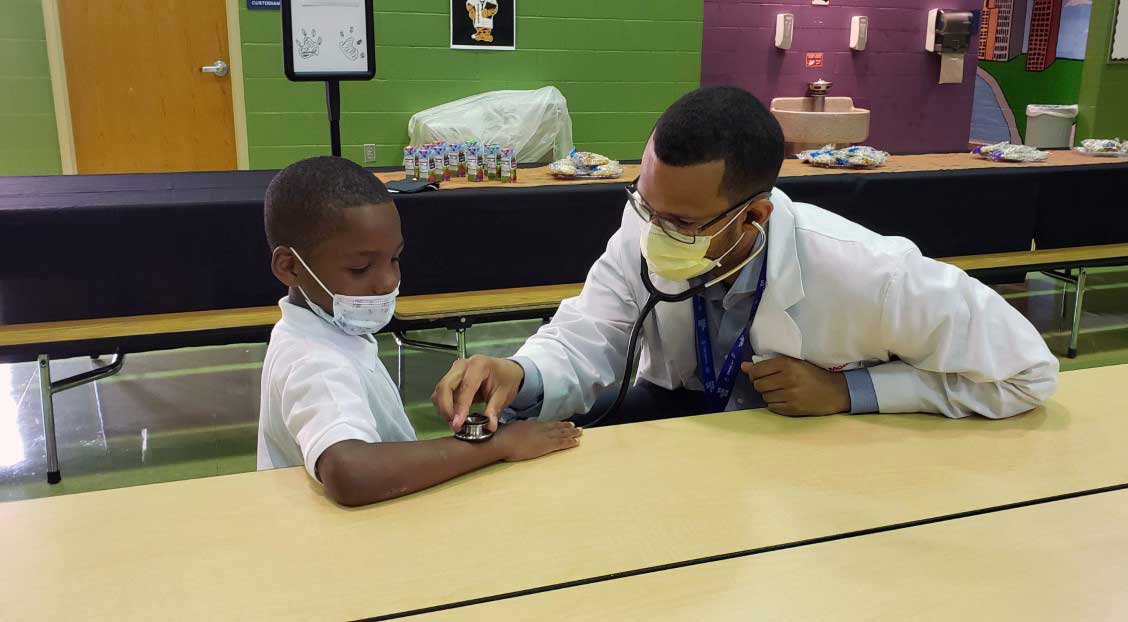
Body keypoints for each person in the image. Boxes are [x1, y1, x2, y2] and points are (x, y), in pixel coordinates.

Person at [432, 86, 1058, 431]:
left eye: (680, 223)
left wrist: (852, 391)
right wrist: (522, 374)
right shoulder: (646, 219)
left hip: (802, 440)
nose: (652, 231)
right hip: (686, 410)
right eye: (645, 205)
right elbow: (591, 331)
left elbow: (1028, 374)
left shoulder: (872, 273)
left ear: (754, 215)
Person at [257, 156, 581, 507]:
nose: (388, 281)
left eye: (394, 259)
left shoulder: (326, 330)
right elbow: (350, 472)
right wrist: (497, 444)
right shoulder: (314, 360)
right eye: (360, 267)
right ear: (289, 267)